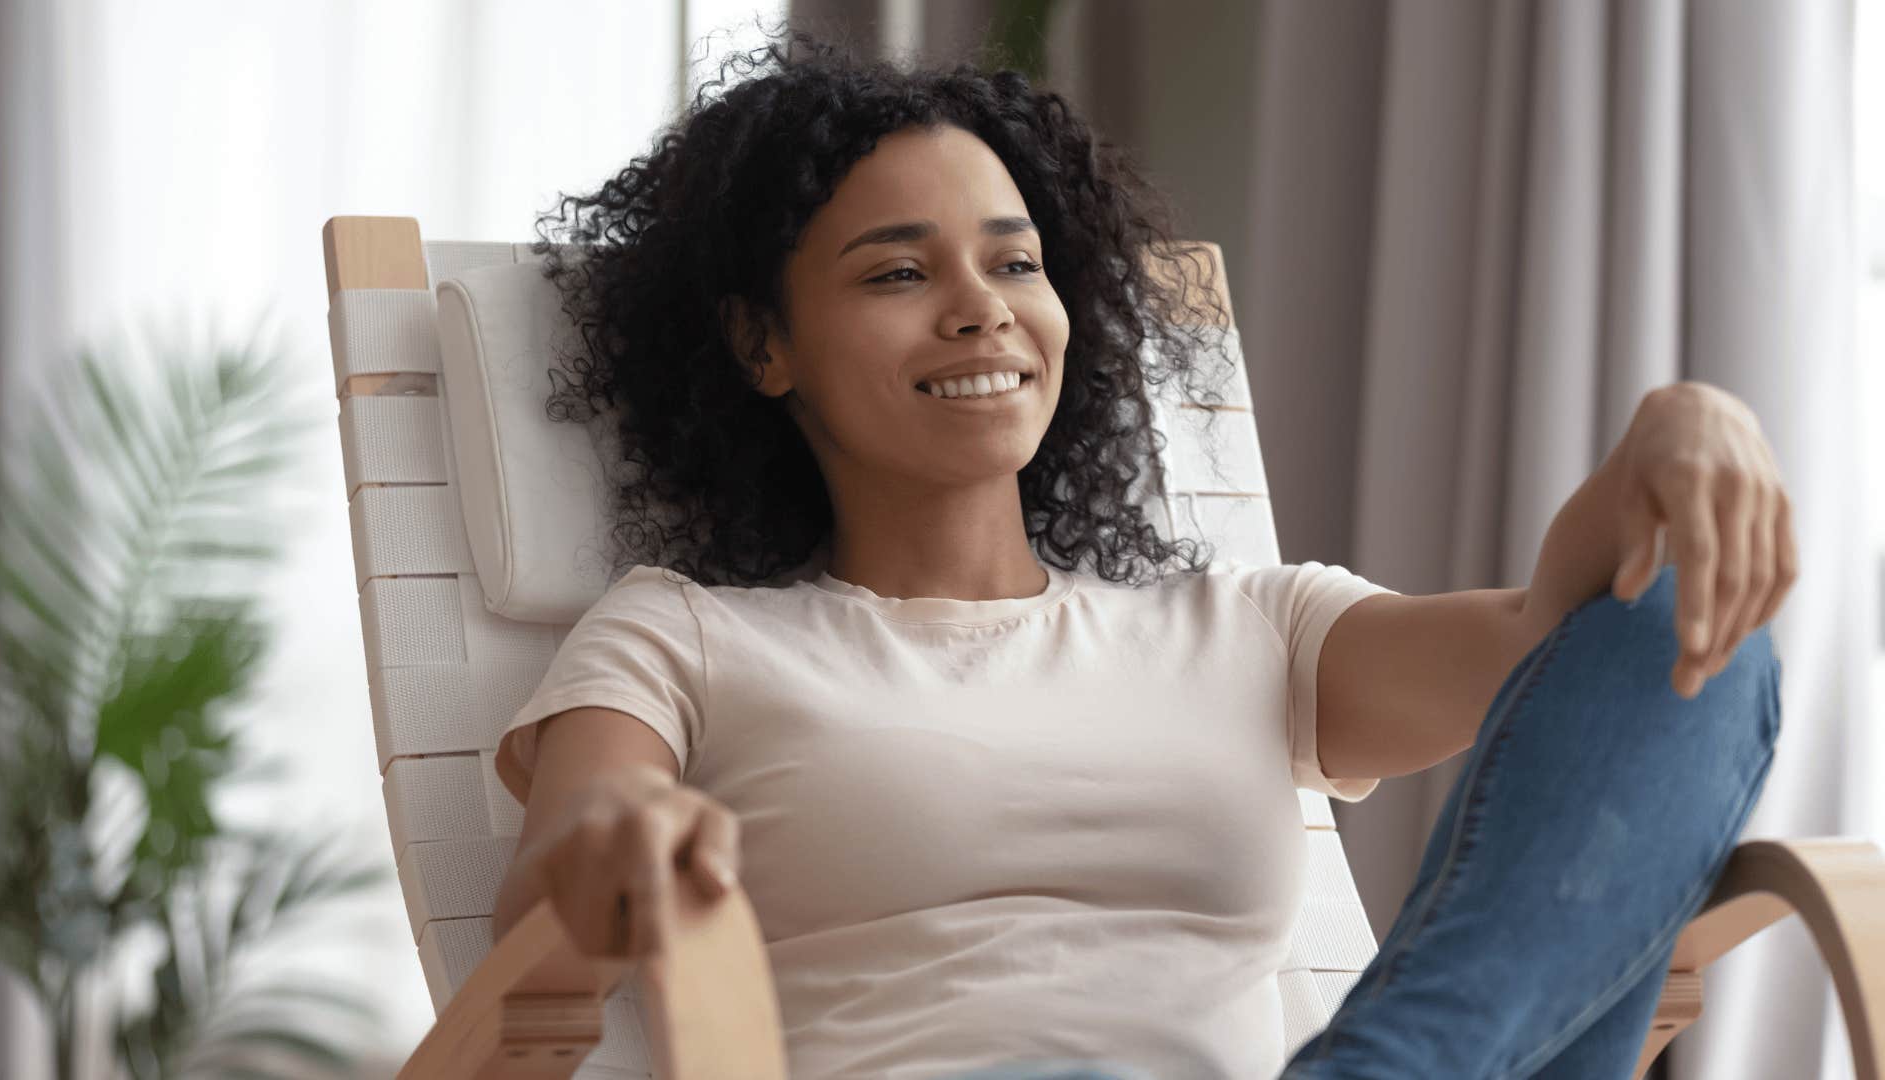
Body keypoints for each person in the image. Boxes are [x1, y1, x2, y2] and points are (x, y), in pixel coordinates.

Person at [489, 25, 1791, 1080]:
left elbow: (1553, 653)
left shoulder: (1245, 633)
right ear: (763, 345)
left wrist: (1682, 427)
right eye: (898, 275)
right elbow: (567, 859)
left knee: (1694, 635)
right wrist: (621, 835)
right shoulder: (689, 636)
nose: (980, 310)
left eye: (1017, 263)